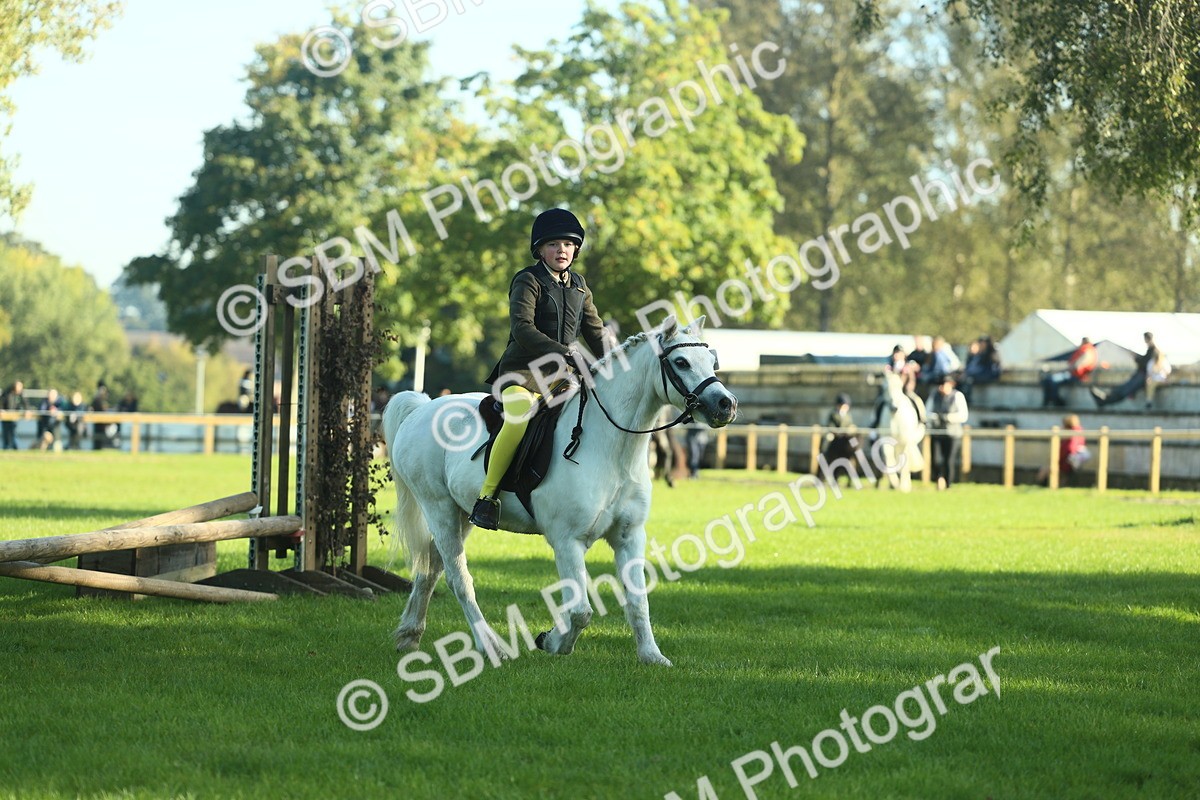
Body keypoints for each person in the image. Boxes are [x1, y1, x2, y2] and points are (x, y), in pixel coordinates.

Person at [469, 208, 609, 530]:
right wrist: (565, 352)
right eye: (553, 244)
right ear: (540, 250)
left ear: (575, 250)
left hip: (563, 378)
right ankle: (487, 497)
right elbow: (522, 328)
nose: (562, 250)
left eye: (568, 245)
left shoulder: (579, 285)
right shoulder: (528, 280)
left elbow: (596, 331)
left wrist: (616, 363)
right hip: (522, 373)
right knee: (518, 418)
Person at [1091, 332, 1163, 408]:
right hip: (1141, 374)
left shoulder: (1154, 351)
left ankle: (1105, 400)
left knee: (1124, 390)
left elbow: (1147, 364)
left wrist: (1136, 358)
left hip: (1144, 376)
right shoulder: (1152, 350)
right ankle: (1105, 398)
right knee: (1122, 388)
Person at [927, 375, 968, 490]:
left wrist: (948, 418)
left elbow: (963, 415)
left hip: (952, 433)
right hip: (937, 431)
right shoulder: (934, 396)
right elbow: (927, 411)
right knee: (936, 459)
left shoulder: (958, 396)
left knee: (949, 460)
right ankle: (939, 479)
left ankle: (948, 484)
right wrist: (935, 417)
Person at [1041, 337, 1098, 407]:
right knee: (1047, 379)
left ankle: (1057, 402)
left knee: (1052, 380)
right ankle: (1048, 401)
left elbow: (1078, 365)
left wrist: (1072, 367)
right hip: (1073, 373)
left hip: (1076, 375)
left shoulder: (1088, 350)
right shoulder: (1088, 350)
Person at [1037, 414, 1089, 486]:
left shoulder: (1071, 435)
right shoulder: (1079, 432)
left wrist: (1058, 458)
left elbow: (1069, 448)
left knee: (1045, 469)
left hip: (1067, 461)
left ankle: (1041, 485)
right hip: (1072, 461)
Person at [822, 392, 858, 483]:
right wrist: (837, 432)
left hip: (845, 442)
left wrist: (851, 429)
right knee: (828, 456)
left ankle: (851, 480)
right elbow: (830, 426)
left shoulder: (848, 416)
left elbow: (851, 426)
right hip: (835, 441)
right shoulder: (833, 415)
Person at [957, 335, 1001, 402]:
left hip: (989, 375)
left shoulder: (991, 354)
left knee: (968, 379)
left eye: (983, 343)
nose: (981, 345)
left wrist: (969, 374)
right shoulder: (981, 354)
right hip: (983, 374)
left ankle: (967, 399)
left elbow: (991, 369)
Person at [1, 380, 27, 450]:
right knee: (6, 432)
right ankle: (6, 447)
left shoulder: (21, 394)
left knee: (13, 432)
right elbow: (2, 402)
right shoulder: (7, 392)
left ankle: (15, 447)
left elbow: (25, 403)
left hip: (15, 415)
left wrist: (27, 410)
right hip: (6, 415)